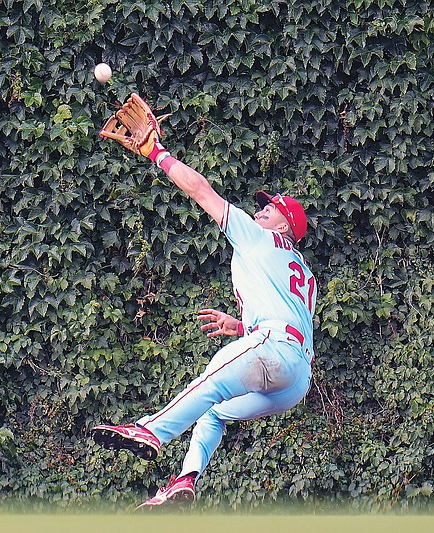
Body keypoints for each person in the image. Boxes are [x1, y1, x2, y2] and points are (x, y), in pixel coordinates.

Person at [92, 95, 317, 509]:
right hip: (296, 378)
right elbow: (291, 317)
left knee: (212, 378)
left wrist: (156, 152)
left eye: (270, 209)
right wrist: (241, 326)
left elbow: (200, 190)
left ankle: (151, 430)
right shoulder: (305, 275)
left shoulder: (259, 236)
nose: (262, 211)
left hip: (274, 347)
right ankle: (185, 479)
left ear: (285, 225)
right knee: (214, 410)